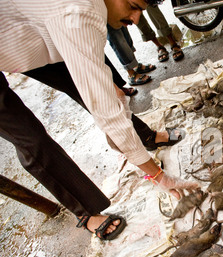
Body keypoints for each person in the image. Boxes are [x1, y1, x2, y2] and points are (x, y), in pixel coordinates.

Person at [0, 0, 199, 241]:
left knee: (108, 91)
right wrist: (157, 176)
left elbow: (98, 84)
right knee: (30, 138)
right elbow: (105, 110)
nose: (135, 19)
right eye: (133, 5)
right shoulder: (77, 14)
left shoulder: (83, 15)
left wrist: (106, 86)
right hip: (16, 42)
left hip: (33, 35)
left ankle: (145, 136)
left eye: (141, 11)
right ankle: (86, 213)